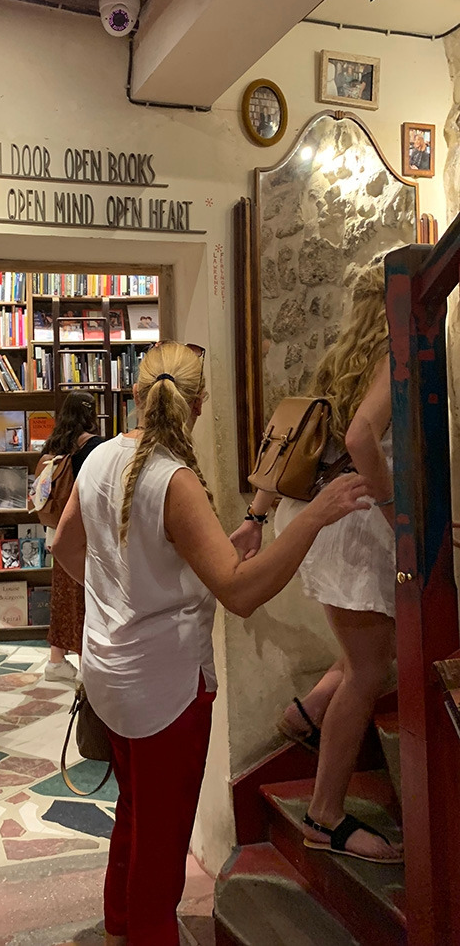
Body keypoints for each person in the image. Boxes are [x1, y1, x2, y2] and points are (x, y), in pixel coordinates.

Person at [51, 341, 372, 945]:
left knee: (133, 813)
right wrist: (313, 515)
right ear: (198, 405)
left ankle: (119, 928)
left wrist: (123, 597)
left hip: (109, 671)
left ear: (136, 395)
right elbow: (241, 593)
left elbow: (69, 547)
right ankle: (146, 933)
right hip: (165, 688)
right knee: (163, 841)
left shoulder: (98, 458)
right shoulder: (174, 479)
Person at [234, 259, 402, 865]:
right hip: (355, 523)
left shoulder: (341, 359)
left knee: (368, 648)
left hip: (326, 521)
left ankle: (304, 713)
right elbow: (358, 439)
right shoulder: (391, 357)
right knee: (368, 671)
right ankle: (325, 815)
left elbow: (293, 440)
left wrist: (255, 517)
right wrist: (397, 511)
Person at [40, 391, 103, 684]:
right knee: (84, 598)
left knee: (63, 596)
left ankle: (56, 661)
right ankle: (84, 666)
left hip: (55, 531)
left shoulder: (53, 445)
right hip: (85, 532)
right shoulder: (95, 447)